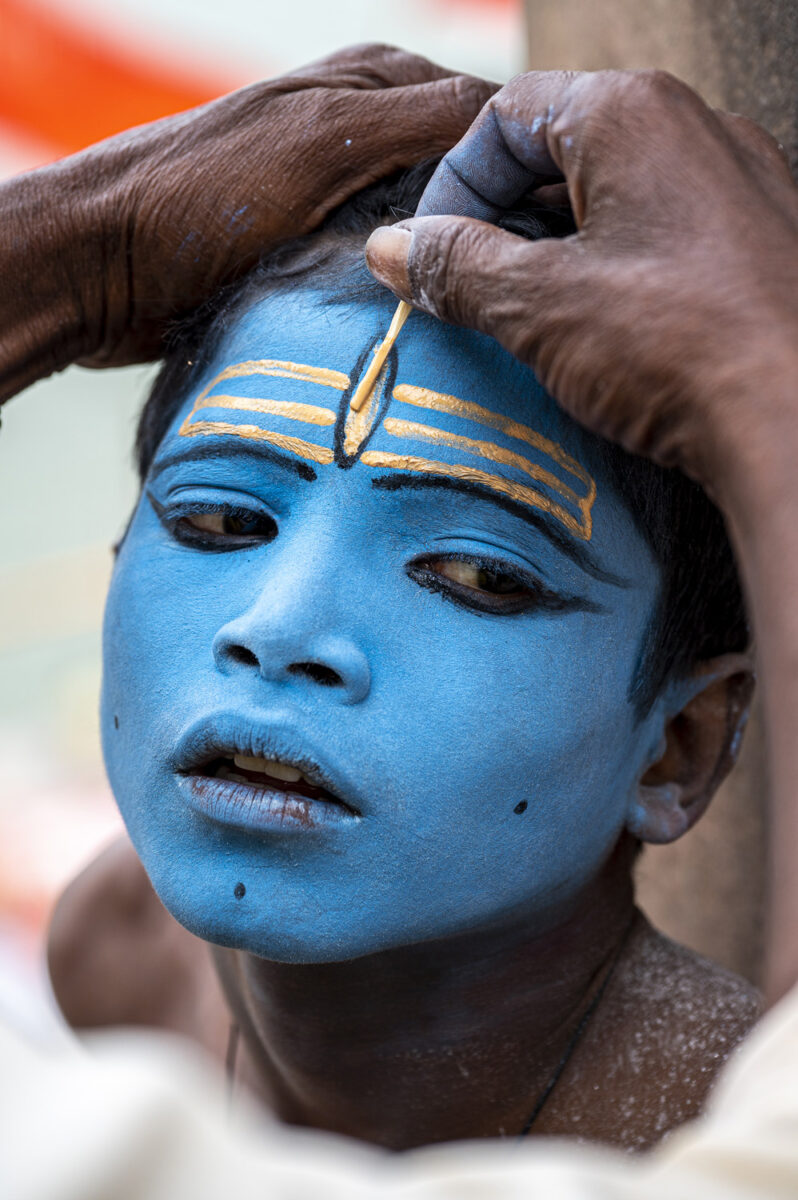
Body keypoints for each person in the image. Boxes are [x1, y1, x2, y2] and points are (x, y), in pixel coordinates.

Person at [2, 50, 797, 1197]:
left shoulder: (702, 1115)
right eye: (223, 518)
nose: (279, 629)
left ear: (678, 746)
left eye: (477, 574)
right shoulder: (120, 948)